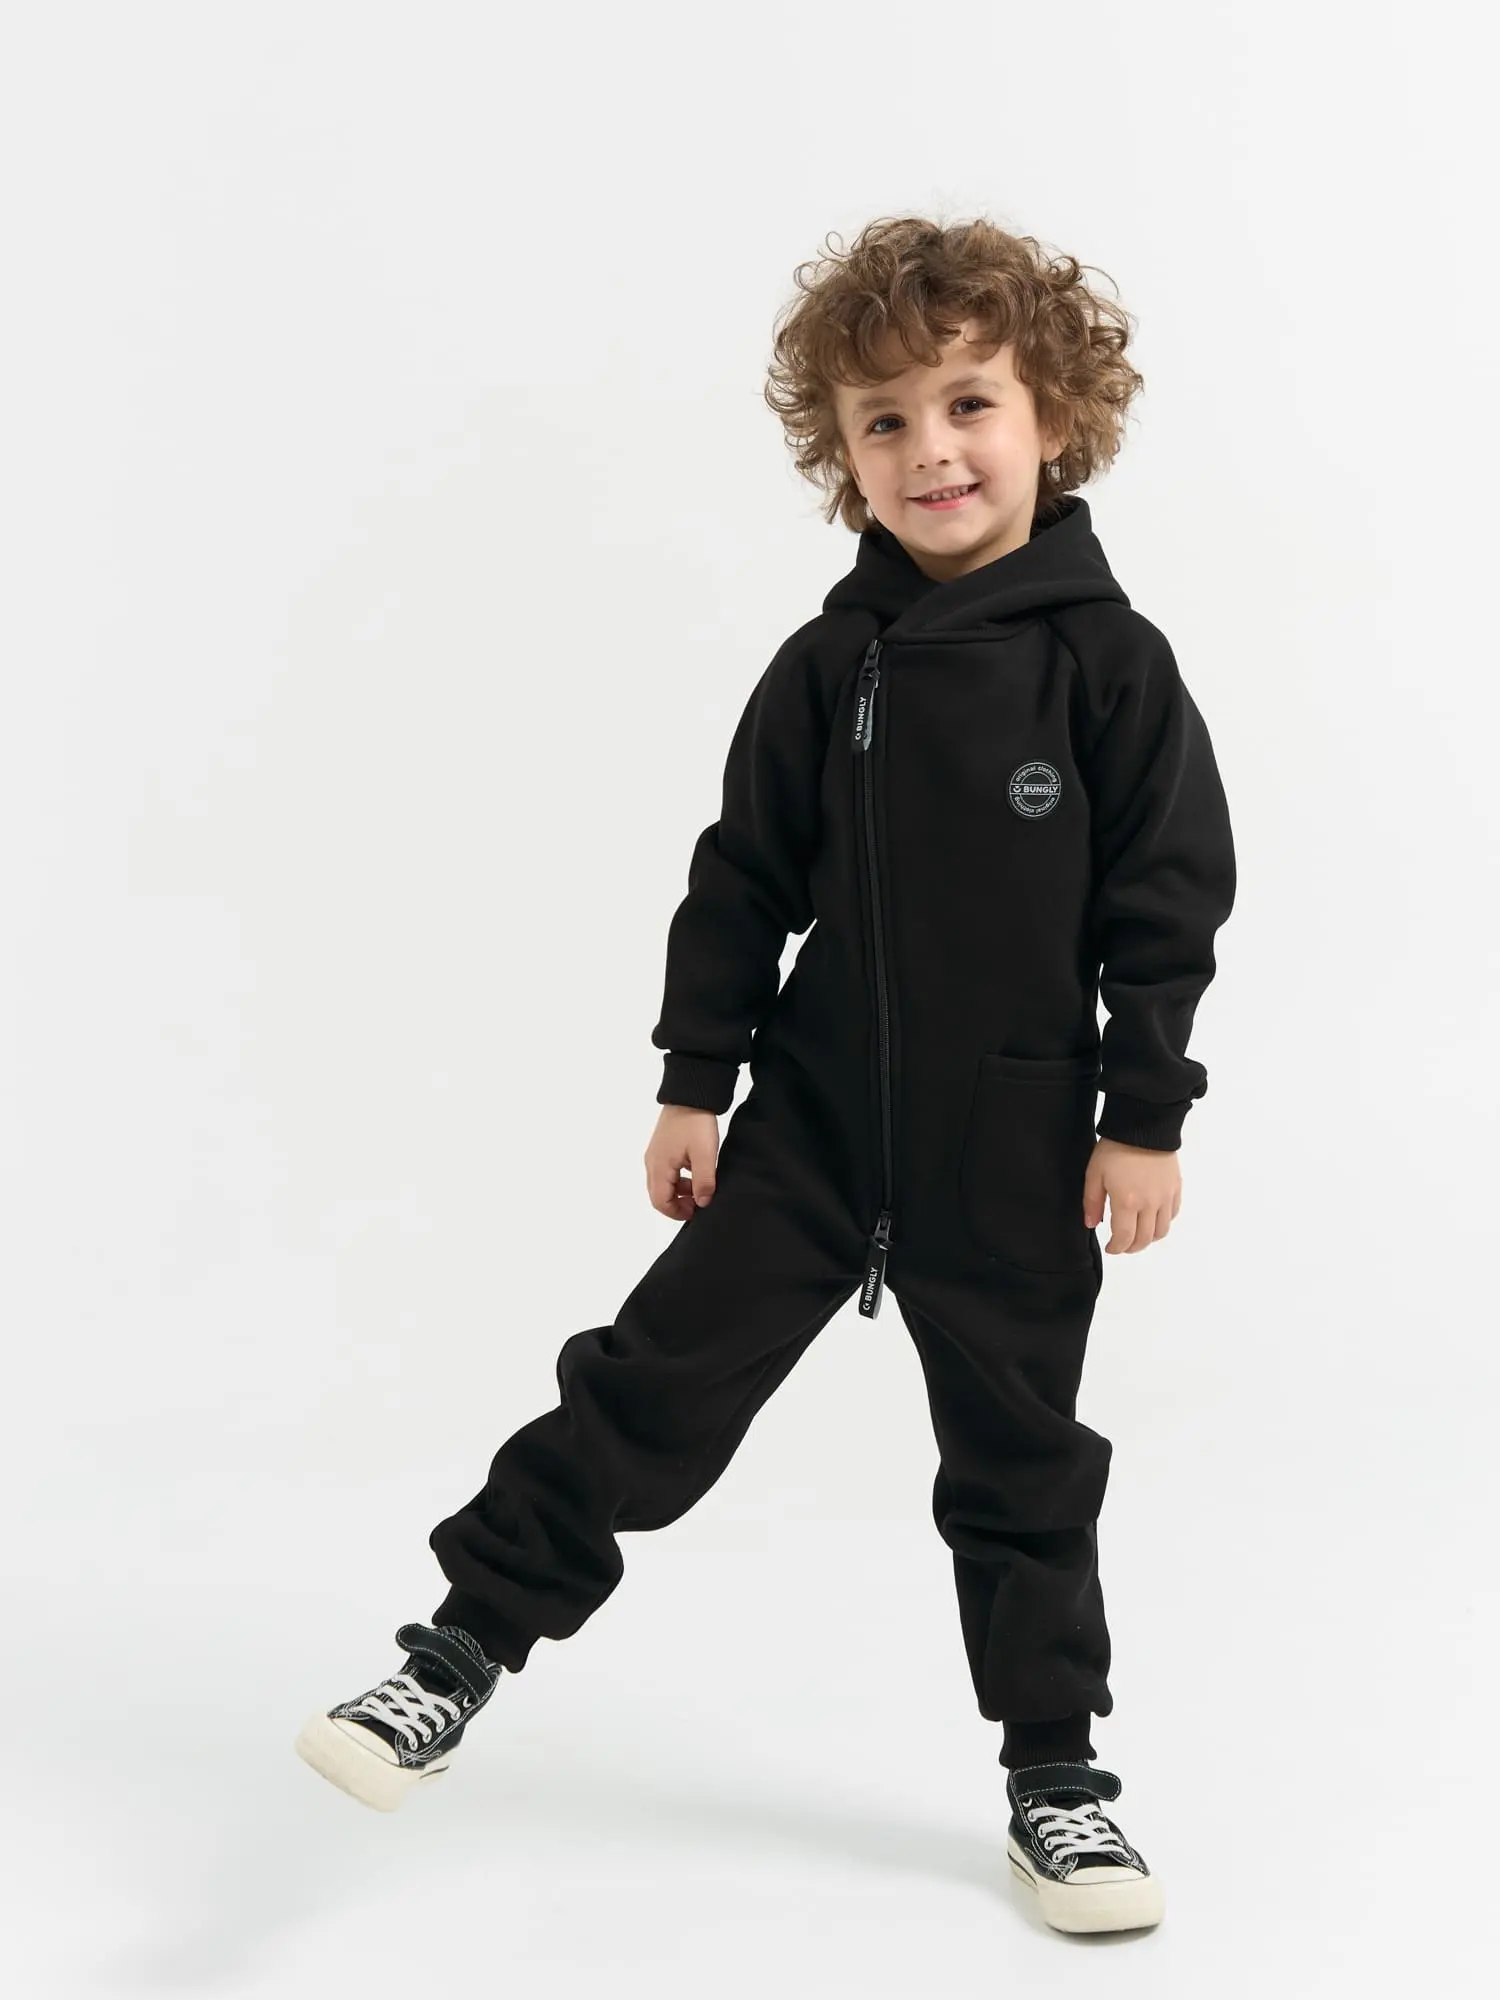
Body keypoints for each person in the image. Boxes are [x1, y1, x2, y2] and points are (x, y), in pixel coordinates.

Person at [295, 214, 1236, 1937]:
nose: (930, 449)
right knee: (643, 1389)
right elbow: (740, 882)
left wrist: (1142, 1117)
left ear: (1055, 419)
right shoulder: (828, 668)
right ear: (842, 455)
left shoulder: (1111, 667)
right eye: (885, 420)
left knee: (1025, 1464)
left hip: (1016, 1148)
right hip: (809, 1134)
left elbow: (1165, 907)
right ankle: (453, 1657)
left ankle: (1058, 1780)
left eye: (969, 404)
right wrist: (695, 1080)